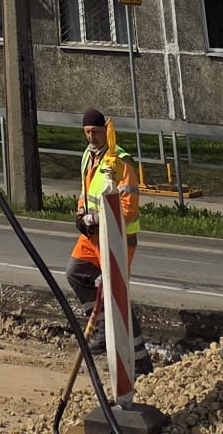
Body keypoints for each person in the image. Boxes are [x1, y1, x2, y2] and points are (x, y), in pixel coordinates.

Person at [67, 106, 152, 376]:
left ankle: (140, 360)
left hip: (117, 238)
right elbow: (85, 191)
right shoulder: (88, 157)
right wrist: (81, 213)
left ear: (107, 130)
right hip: (92, 236)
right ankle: (102, 329)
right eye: (87, 132)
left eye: (95, 131)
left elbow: (127, 208)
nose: (91, 136)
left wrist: (94, 219)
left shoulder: (119, 162)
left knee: (117, 296)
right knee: (76, 273)